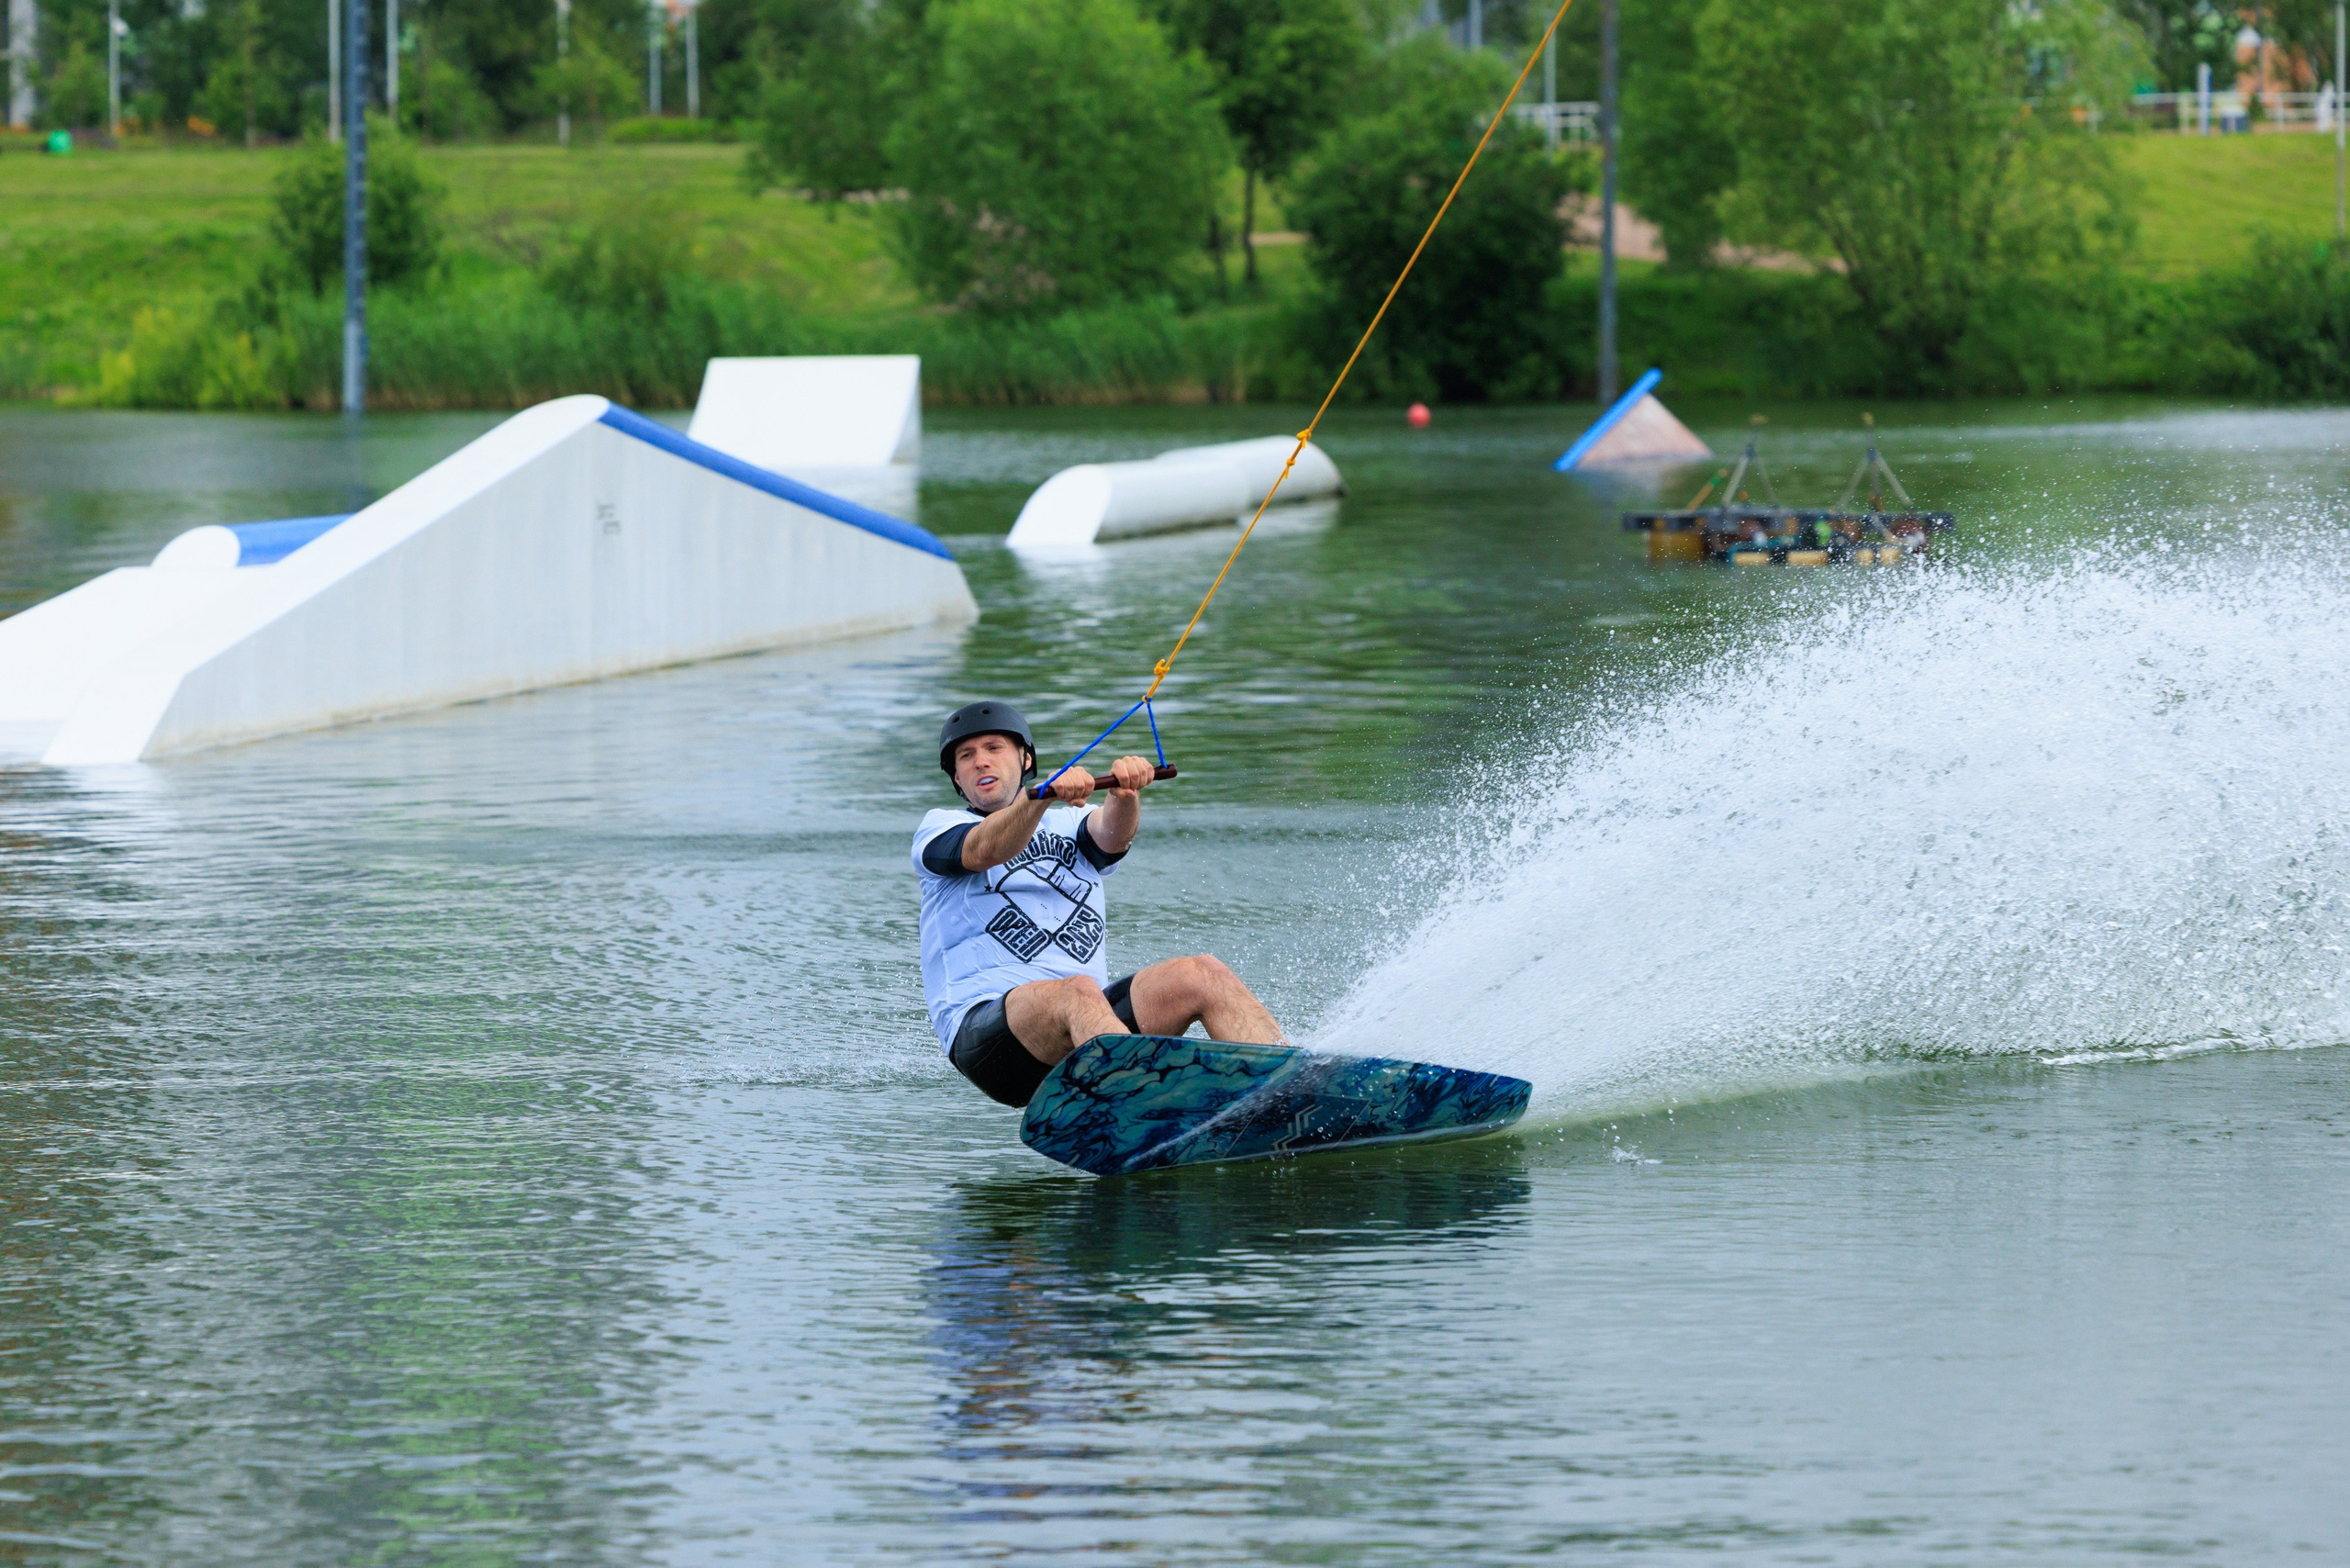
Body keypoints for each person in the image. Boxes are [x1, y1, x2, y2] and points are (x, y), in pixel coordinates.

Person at [912, 700, 1287, 1108]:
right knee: (1077, 992)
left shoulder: (1071, 822)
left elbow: (1111, 837)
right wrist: (1040, 797)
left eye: (993, 748)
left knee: (1201, 974)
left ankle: (1289, 1088)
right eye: (966, 757)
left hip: (1090, 1027)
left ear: (1026, 758)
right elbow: (985, 848)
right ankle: (1145, 1108)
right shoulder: (940, 828)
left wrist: (1126, 794)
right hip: (989, 1039)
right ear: (957, 779)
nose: (981, 762)